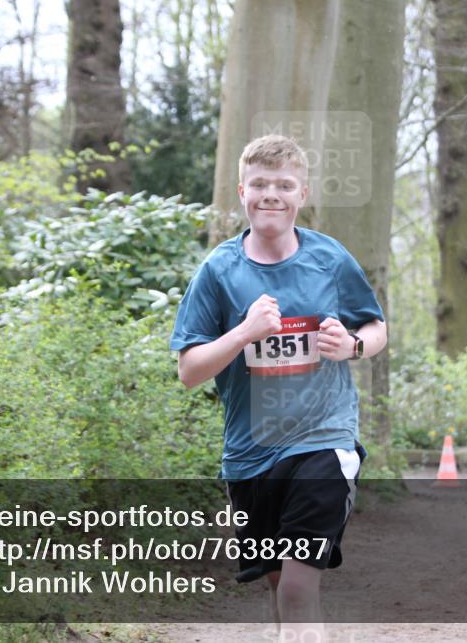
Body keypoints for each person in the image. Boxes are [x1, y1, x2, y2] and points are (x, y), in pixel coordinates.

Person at [170, 135, 387, 639]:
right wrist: (244, 332)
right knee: (277, 584)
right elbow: (190, 371)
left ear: (302, 194)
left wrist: (352, 345)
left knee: (295, 586)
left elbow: (377, 329)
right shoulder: (219, 272)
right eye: (262, 184)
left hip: (323, 443)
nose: (273, 194)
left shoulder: (330, 260)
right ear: (242, 191)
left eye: (284, 185)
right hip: (250, 454)